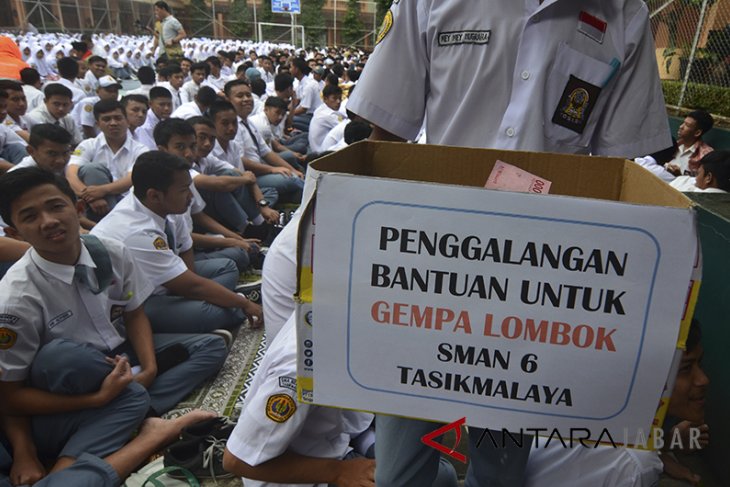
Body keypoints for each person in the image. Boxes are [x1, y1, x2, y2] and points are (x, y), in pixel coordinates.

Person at [347, 1, 674, 486]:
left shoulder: (622, 11)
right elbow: (386, 133)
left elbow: (616, 170)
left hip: (536, 285)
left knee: (501, 463)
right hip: (426, 269)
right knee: (400, 466)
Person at [0, 167, 225, 481]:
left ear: (77, 208)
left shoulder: (110, 251)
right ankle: (127, 408)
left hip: (119, 357)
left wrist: (148, 368)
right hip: (70, 385)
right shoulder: (16, 299)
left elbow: (134, 314)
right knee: (62, 356)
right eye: (29, 216)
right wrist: (94, 400)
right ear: (14, 233)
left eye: (55, 206)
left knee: (212, 346)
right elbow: (9, 396)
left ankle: (133, 405)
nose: (48, 221)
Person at [91, 151, 264, 335]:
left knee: (227, 267)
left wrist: (186, 292)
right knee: (210, 313)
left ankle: (194, 311)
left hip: (164, 283)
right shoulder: (135, 230)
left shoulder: (167, 204)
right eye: (183, 190)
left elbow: (186, 252)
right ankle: (210, 311)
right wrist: (243, 303)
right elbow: (192, 286)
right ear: (154, 195)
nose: (190, 196)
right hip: (136, 304)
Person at [222, 313, 377, 487]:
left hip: (334, 435)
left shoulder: (330, 311)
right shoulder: (300, 369)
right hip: (303, 473)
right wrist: (340, 472)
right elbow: (237, 461)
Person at [224, 79, 304, 206]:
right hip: (249, 177)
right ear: (228, 100)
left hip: (261, 170)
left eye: (248, 95)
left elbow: (266, 151)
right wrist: (273, 169)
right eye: (240, 96)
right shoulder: (231, 126)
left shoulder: (248, 122)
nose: (246, 99)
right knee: (292, 180)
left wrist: (292, 169)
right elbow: (241, 160)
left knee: (294, 176)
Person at [66, 100, 149, 220]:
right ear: (98, 124)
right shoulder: (87, 145)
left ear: (127, 122)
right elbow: (71, 175)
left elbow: (132, 178)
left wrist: (102, 191)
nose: (113, 123)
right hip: (93, 204)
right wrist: (93, 196)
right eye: (106, 119)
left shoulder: (140, 150)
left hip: (129, 203)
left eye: (118, 118)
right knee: (92, 170)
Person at [665, 110, 714, 177]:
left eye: (687, 125)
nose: (681, 127)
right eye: (683, 123)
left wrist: (679, 176)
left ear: (697, 133)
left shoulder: (706, 155)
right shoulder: (673, 145)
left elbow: (701, 183)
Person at [71, 75, 122, 140]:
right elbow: (87, 127)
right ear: (98, 91)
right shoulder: (89, 103)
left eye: (115, 91)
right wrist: (97, 144)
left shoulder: (115, 104)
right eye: (109, 91)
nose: (113, 94)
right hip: (80, 139)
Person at [307, 85, 344, 154]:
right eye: (334, 98)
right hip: (320, 153)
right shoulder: (329, 115)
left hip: (313, 148)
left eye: (340, 98)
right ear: (325, 99)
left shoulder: (321, 109)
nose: (338, 101)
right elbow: (345, 128)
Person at [289, 57, 322, 131]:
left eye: (291, 67)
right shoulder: (300, 84)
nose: (289, 70)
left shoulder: (309, 85)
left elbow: (303, 108)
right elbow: (295, 102)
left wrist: (288, 114)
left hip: (313, 116)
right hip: (306, 115)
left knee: (289, 119)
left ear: (296, 69)